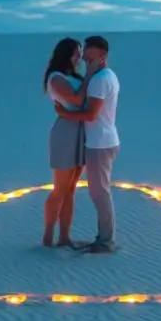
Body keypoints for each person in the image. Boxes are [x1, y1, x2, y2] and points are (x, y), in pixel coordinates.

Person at [54, 35, 120, 254]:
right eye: (85, 58)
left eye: (91, 57)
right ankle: (104, 238)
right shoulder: (107, 76)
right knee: (98, 192)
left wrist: (65, 114)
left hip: (100, 144)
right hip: (101, 140)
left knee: (100, 193)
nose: (86, 62)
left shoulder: (100, 79)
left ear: (102, 56)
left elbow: (91, 114)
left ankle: (106, 241)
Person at [43, 37, 103, 247]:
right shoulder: (56, 77)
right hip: (65, 133)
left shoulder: (74, 76)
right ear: (66, 54)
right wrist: (88, 75)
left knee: (71, 189)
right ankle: (48, 236)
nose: (81, 57)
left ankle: (64, 237)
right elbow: (76, 100)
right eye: (77, 53)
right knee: (60, 188)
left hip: (81, 129)